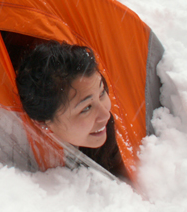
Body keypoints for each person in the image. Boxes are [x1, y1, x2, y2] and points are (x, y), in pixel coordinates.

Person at [15, 41, 126, 177]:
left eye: (102, 92)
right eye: (86, 108)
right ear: (42, 122)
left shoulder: (117, 134)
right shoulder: (13, 151)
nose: (106, 115)